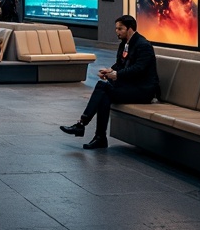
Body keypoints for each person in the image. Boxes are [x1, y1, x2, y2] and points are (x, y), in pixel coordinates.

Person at [60, 14, 159, 150]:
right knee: (104, 95)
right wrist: (109, 71)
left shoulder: (143, 45)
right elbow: (120, 64)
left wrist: (117, 75)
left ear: (130, 29)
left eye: (120, 29)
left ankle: (83, 125)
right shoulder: (125, 44)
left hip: (143, 90)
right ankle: (98, 137)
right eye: (116, 29)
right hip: (130, 86)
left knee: (103, 88)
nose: (117, 32)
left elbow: (139, 69)